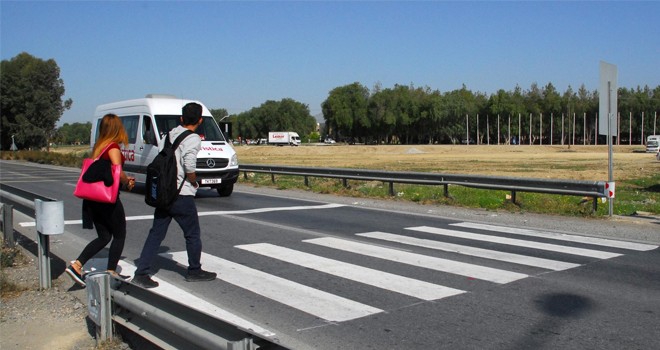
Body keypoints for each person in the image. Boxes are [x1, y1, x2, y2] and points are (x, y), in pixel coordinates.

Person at [133, 102, 217, 288]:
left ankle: (141, 272)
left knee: (156, 233)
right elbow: (189, 165)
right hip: (181, 194)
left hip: (164, 192)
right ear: (200, 120)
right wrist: (194, 181)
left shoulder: (169, 135)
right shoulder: (193, 138)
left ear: (181, 118)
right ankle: (194, 270)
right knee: (192, 234)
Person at [66, 114, 135, 287]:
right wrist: (128, 181)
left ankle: (77, 265)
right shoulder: (113, 148)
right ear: (117, 128)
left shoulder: (99, 147)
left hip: (92, 200)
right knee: (120, 234)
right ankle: (111, 272)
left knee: (104, 236)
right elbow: (117, 172)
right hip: (107, 200)